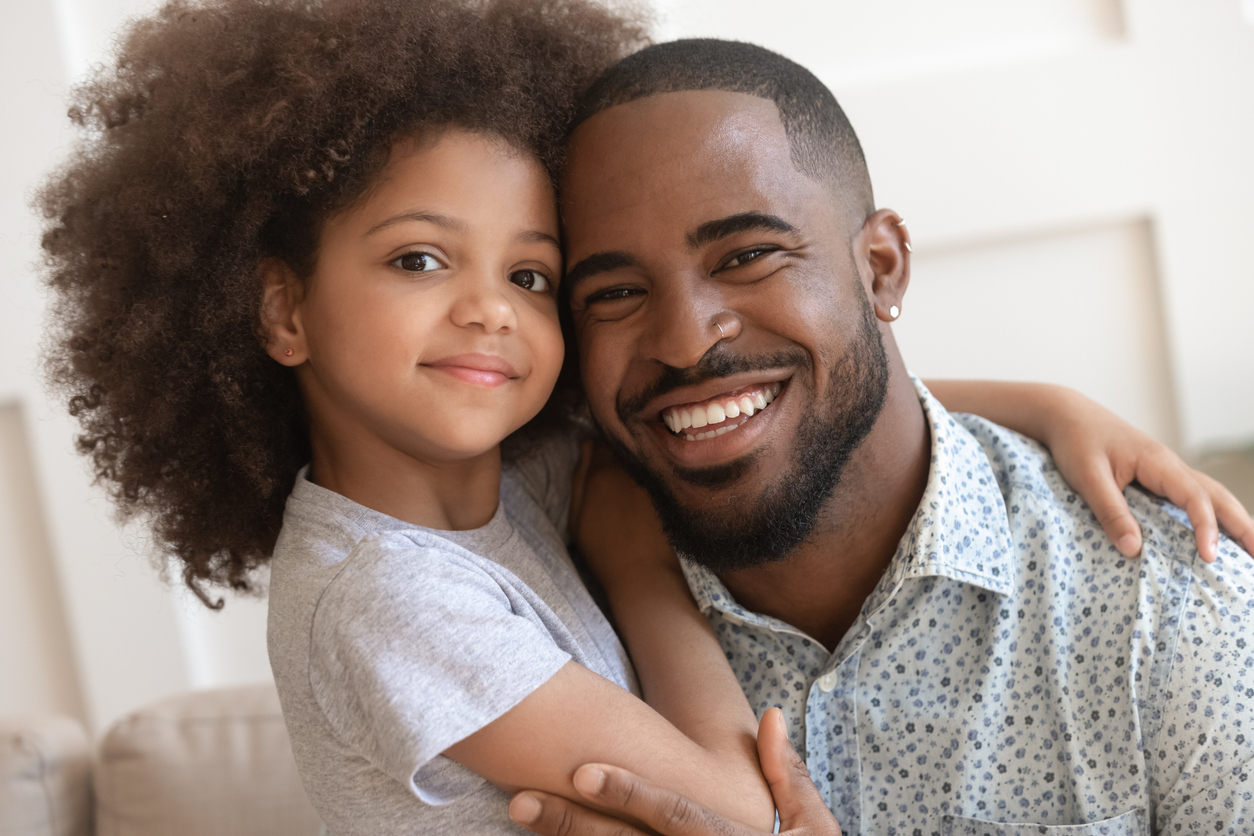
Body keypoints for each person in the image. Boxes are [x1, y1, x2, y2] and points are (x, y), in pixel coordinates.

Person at [37, 4, 1249, 833]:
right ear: (281, 309)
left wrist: (1044, 402)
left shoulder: (506, 481)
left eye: (527, 276)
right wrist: (630, 559)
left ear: (883, 270)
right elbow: (743, 809)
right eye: (417, 260)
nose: (490, 315)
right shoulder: (393, 593)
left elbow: (801, 385)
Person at [507, 38, 1254, 836]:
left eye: (750, 254)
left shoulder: (1172, 613)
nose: (687, 341)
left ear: (883, 266)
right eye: (616, 292)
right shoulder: (528, 622)